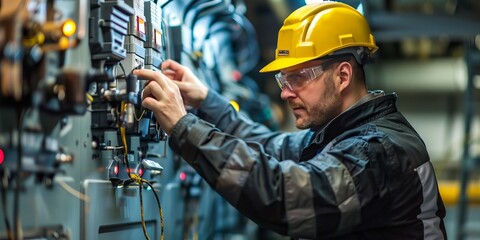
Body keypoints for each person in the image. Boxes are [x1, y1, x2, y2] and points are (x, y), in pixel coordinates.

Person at [135, 1, 447, 239]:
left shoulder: (376, 150)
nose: (285, 93)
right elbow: (269, 146)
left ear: (342, 76)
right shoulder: (341, 136)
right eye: (284, 80)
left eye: (298, 77)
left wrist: (183, 125)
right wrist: (206, 99)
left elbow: (286, 198)